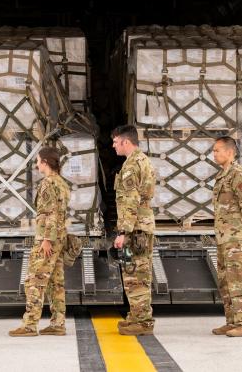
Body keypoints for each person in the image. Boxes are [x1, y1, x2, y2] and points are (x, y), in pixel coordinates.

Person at [9, 147, 71, 337]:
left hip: (49, 239)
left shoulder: (48, 183)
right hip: (60, 238)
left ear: (45, 162)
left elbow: (50, 213)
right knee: (55, 282)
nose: (36, 165)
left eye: (38, 161)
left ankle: (29, 325)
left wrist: (46, 240)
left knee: (34, 280)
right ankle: (58, 323)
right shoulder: (62, 183)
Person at [209, 136, 242, 337]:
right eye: (213, 150)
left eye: (217, 150)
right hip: (224, 238)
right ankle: (232, 321)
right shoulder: (222, 175)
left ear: (230, 152)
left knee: (239, 281)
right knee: (226, 282)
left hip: (236, 239)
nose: (214, 154)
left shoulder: (238, 174)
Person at [111, 124, 156, 336]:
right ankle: (138, 316)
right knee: (139, 273)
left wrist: (123, 232)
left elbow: (130, 200)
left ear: (125, 142)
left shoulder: (131, 166)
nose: (113, 145)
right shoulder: (142, 160)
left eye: (115, 141)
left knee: (136, 275)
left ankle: (143, 321)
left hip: (135, 229)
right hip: (141, 226)